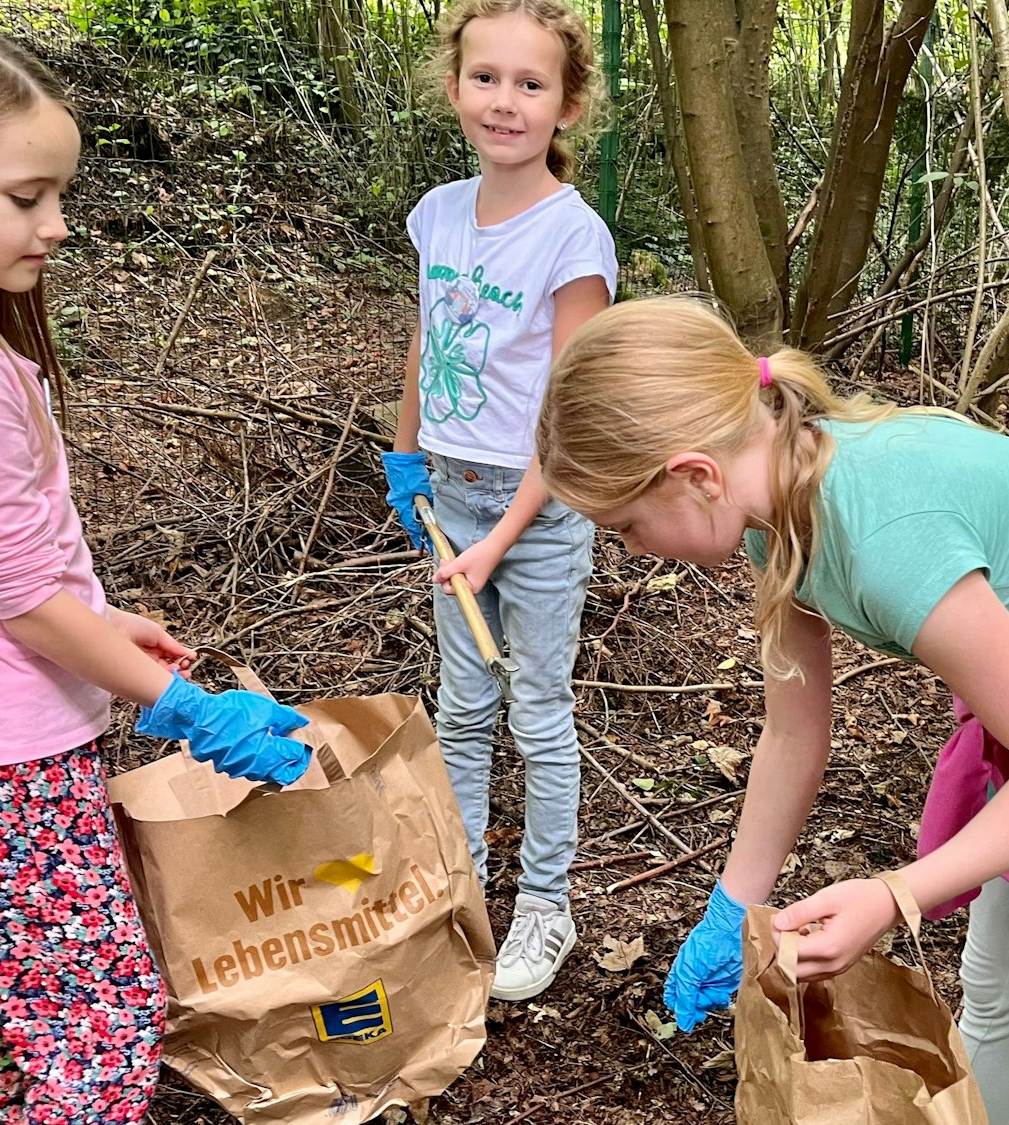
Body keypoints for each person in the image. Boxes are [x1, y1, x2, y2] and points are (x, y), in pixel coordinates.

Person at [533, 296, 1009, 1123]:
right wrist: (732, 905)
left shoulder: (885, 533)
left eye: (628, 526)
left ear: (694, 475)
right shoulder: (771, 510)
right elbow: (792, 730)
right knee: (991, 1011)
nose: (632, 547)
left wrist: (895, 896)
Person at [0, 13, 311, 1120]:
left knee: (47, 995)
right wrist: (190, 709)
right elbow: (23, 602)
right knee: (100, 1024)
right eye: (25, 197)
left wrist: (103, 622)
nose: (58, 226)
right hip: (6, 753)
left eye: (59, 195)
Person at [376, 0, 616, 1003]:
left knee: (537, 711)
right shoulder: (436, 215)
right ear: (453, 85)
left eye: (530, 85)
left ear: (567, 106)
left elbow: (570, 420)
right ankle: (464, 893)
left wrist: (502, 538)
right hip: (450, 499)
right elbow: (426, 347)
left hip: (540, 510)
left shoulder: (574, 240)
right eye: (486, 79)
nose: (504, 102)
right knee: (461, 708)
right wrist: (404, 457)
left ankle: (543, 907)